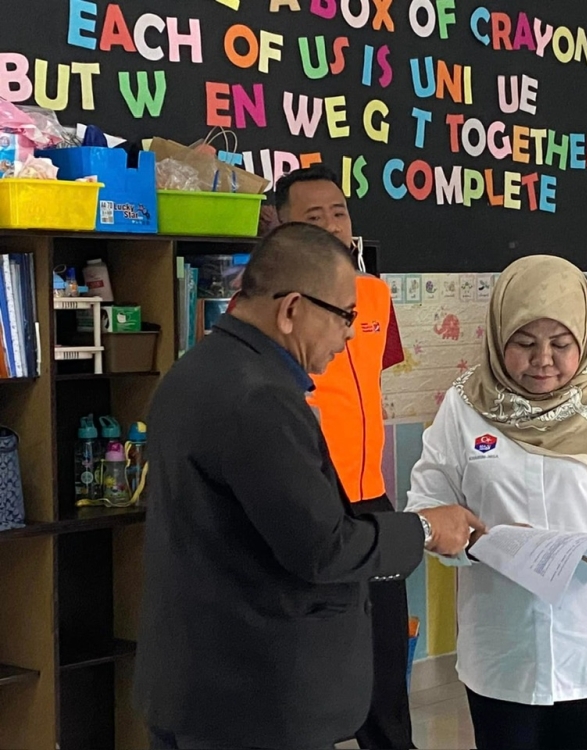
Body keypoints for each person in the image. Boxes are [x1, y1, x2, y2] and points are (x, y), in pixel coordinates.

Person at [133, 223, 484, 750]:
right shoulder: (260, 399)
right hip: (250, 696)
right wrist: (427, 529)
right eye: (345, 316)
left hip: (193, 680)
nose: (349, 335)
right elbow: (322, 548)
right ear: (292, 308)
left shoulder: (195, 370)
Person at [405, 255, 587, 750]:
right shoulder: (465, 407)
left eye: (561, 344)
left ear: (585, 338)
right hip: (504, 652)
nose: (543, 359)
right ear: (498, 338)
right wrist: (455, 539)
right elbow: (427, 506)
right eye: (524, 342)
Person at [272, 165, 413, 750]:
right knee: (311, 659)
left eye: (339, 212)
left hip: (371, 500)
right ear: (279, 226)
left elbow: (372, 379)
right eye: (314, 216)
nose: (332, 225)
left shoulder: (374, 293)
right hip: (308, 501)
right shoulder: (275, 304)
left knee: (384, 651)